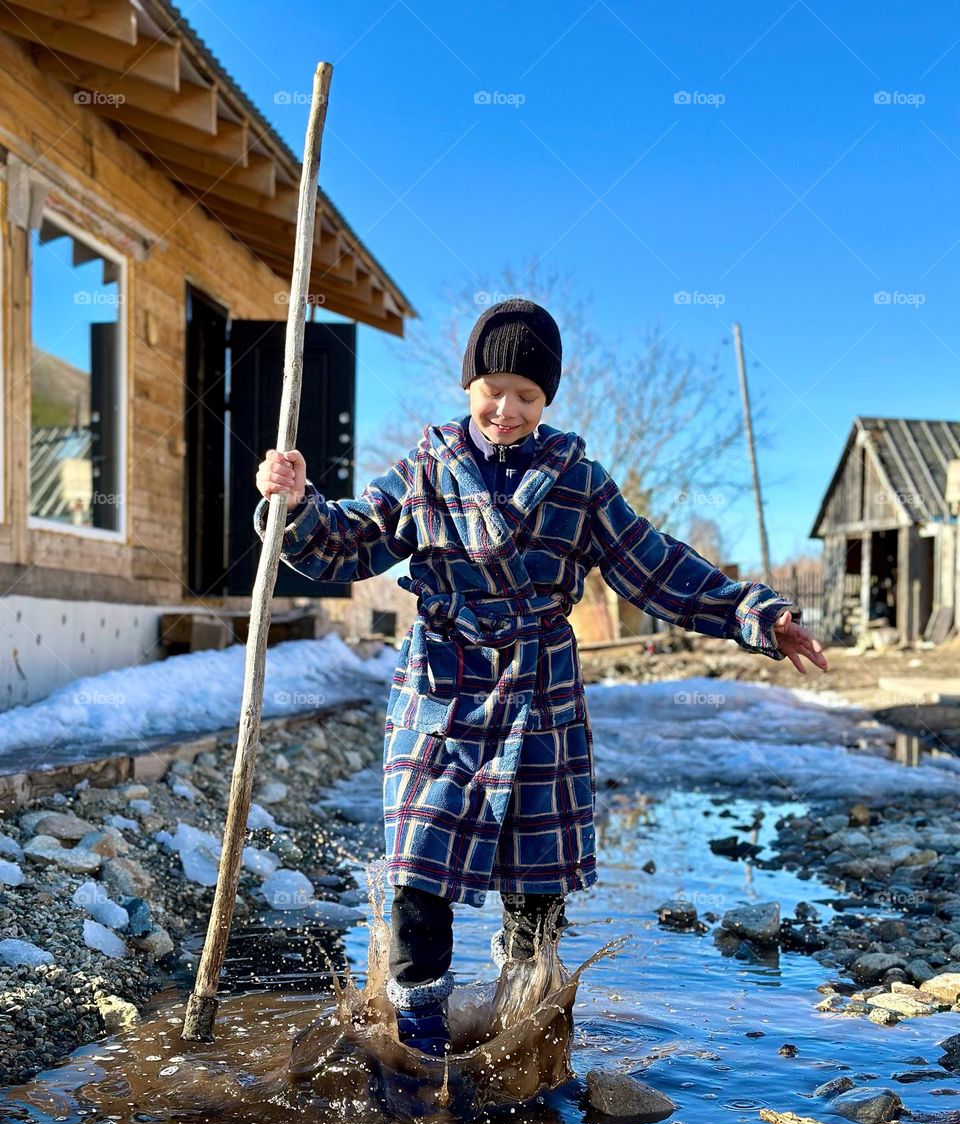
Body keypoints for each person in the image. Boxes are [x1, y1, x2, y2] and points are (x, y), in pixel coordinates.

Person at [254, 298, 828, 1056]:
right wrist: (295, 505)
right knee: (418, 861)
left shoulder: (577, 481)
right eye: (494, 388)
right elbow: (349, 541)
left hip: (539, 685)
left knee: (536, 875)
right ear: (468, 387)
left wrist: (756, 613)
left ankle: (522, 1022)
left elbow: (653, 565)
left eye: (527, 394)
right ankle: (419, 1038)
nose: (507, 408)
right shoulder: (425, 470)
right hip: (442, 687)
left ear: (548, 399)